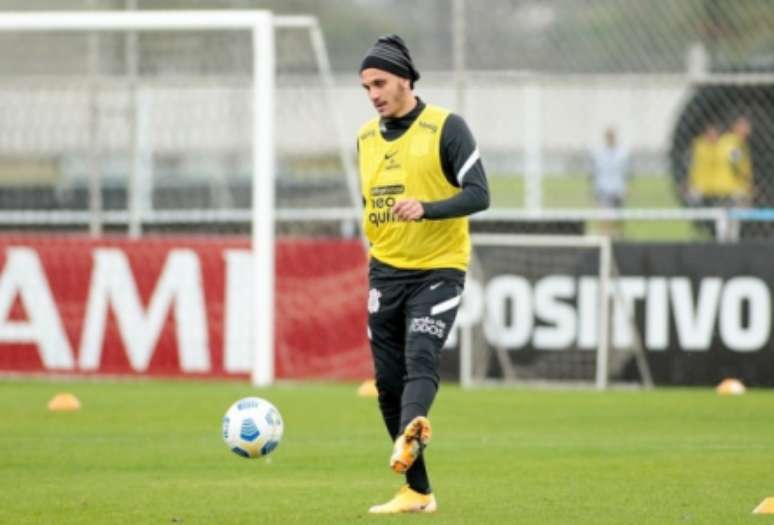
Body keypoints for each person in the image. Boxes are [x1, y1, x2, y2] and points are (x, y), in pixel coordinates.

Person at [357, 34, 489, 514]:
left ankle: (414, 425)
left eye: (381, 82)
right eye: (366, 86)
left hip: (439, 269)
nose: (373, 94)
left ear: (406, 79)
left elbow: (479, 194)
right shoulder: (366, 138)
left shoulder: (447, 128)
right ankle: (417, 491)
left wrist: (428, 209)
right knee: (388, 383)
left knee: (421, 354)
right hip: (385, 273)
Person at [589, 127, 629, 236]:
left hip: (617, 189)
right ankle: (605, 239)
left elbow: (626, 173)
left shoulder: (622, 154)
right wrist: (594, 192)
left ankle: (617, 239)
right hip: (603, 189)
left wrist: (626, 189)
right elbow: (595, 173)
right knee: (605, 217)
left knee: (618, 219)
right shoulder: (599, 154)